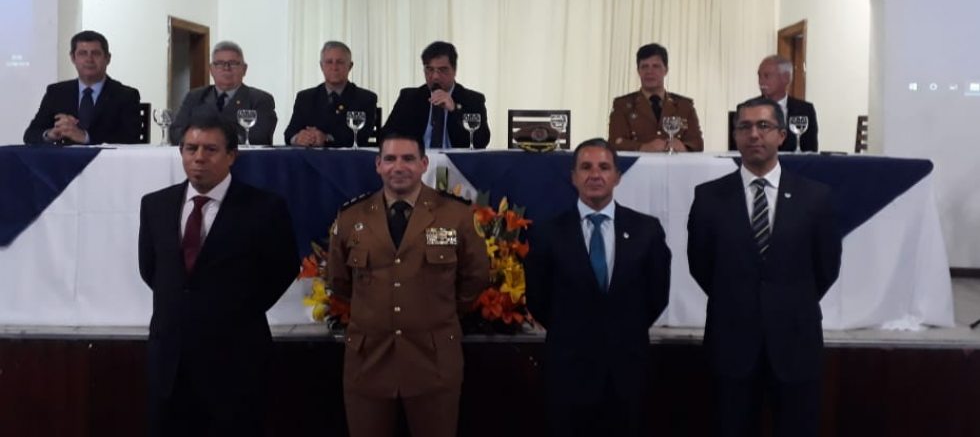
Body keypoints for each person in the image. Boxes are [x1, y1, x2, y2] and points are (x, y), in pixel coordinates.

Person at [687, 97, 841, 437]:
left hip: (795, 343)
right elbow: (701, 264)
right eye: (744, 127)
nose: (753, 134)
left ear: (782, 135)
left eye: (763, 126)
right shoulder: (709, 198)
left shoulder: (815, 197)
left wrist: (786, 301)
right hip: (732, 344)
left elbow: (826, 266)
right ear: (735, 136)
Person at [138, 115, 298, 437]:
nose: (199, 157)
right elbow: (151, 268)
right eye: (191, 148)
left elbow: (282, 269)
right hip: (170, 362)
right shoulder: (156, 204)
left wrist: (231, 310)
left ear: (231, 155)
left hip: (235, 360)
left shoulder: (264, 208)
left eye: (210, 149)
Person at [328, 131, 489, 437]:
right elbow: (339, 281)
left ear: (424, 164)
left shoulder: (456, 214)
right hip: (369, 361)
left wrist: (435, 312)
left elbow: (476, 276)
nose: (398, 167)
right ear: (378, 165)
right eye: (390, 159)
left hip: (433, 361)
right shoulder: (351, 217)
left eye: (408, 159)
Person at [526, 138, 671, 437]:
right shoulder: (547, 232)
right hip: (568, 370)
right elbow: (538, 298)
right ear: (573, 177)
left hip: (627, 370)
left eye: (604, 167)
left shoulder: (646, 230)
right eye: (586, 167)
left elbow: (657, 295)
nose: (595, 175)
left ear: (617, 176)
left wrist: (622, 329)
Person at [24, 30, 141, 145]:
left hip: (106, 158)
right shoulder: (56, 92)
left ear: (107, 58)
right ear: (73, 58)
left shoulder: (126, 95)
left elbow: (131, 138)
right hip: (64, 158)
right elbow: (30, 135)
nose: (89, 59)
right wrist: (51, 134)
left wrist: (85, 137)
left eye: (96, 53)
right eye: (82, 53)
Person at [383, 41, 490, 149]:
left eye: (442, 70)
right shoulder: (409, 98)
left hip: (455, 159)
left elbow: (481, 142)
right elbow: (385, 135)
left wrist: (454, 110)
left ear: (454, 70)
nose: (435, 76)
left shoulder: (472, 100)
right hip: (419, 158)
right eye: (429, 69)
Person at [169, 41, 277, 145]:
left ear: (244, 69)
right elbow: (176, 132)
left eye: (233, 63)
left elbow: (259, 137)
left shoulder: (260, 100)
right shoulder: (195, 97)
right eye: (220, 64)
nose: (226, 68)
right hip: (201, 156)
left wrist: (205, 137)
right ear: (211, 70)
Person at [608, 43, 704, 152]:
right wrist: (642, 147)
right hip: (639, 163)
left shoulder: (684, 106)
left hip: (676, 162)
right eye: (644, 67)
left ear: (666, 70)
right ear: (638, 71)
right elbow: (614, 142)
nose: (649, 72)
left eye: (656, 66)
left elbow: (697, 143)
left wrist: (683, 147)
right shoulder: (622, 105)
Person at [283, 41, 378, 147]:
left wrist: (327, 138)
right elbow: (289, 133)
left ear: (350, 66)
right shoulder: (305, 98)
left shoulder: (365, 99)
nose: (334, 67)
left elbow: (361, 137)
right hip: (310, 156)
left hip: (348, 157)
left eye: (340, 62)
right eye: (329, 62)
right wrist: (298, 138)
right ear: (321, 66)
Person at [757, 54, 818, 152]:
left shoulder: (805, 110)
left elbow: (810, 151)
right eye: (759, 76)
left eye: (767, 76)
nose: (761, 81)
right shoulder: (748, 109)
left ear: (786, 78)